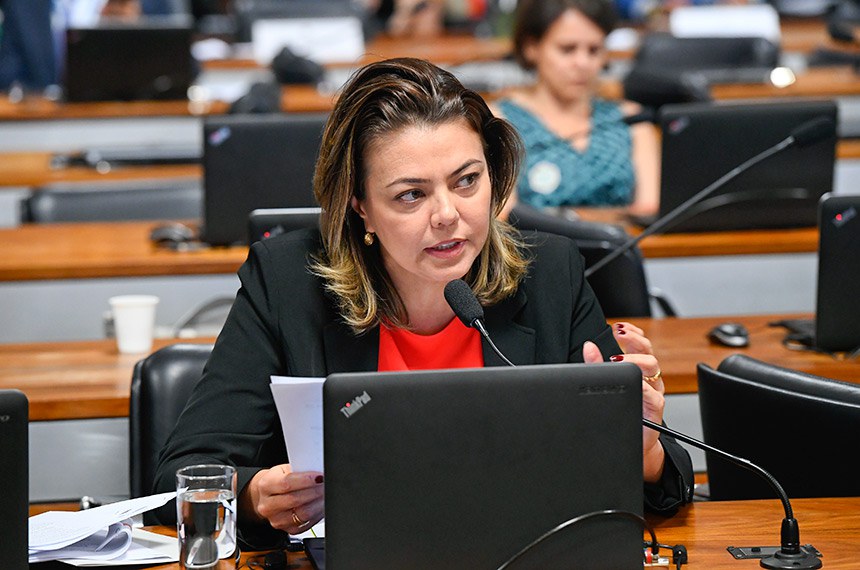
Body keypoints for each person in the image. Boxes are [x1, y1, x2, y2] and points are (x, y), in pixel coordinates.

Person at [152, 57, 693, 548]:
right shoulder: (287, 283)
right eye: (411, 194)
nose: (447, 215)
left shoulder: (550, 273)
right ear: (359, 205)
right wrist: (255, 497)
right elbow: (183, 473)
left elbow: (659, 484)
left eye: (467, 181)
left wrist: (643, 450)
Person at [492, 0, 660, 217]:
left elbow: (650, 210)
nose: (582, 63)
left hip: (623, 238)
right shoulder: (500, 120)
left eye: (594, 50)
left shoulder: (630, 119)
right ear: (531, 47)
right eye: (567, 49)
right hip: (536, 241)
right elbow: (504, 218)